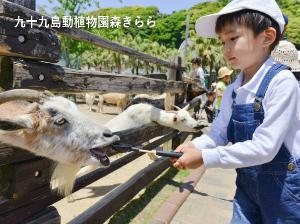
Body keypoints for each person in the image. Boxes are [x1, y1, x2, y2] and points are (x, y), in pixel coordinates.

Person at [171, 0, 300, 223]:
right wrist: (196, 145)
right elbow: (218, 133)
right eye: (223, 41)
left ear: (267, 37)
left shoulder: (282, 82)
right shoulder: (233, 89)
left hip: (283, 191)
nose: (226, 49)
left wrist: (205, 156)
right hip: (247, 186)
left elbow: (265, 148)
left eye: (233, 38)